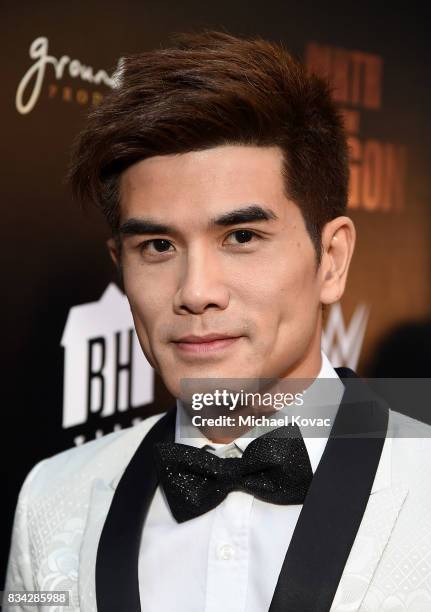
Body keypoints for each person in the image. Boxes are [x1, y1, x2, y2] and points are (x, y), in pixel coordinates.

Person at [4, 29, 431, 612]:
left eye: (241, 236)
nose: (195, 292)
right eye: (157, 246)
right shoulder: (51, 501)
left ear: (331, 260)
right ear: (121, 266)